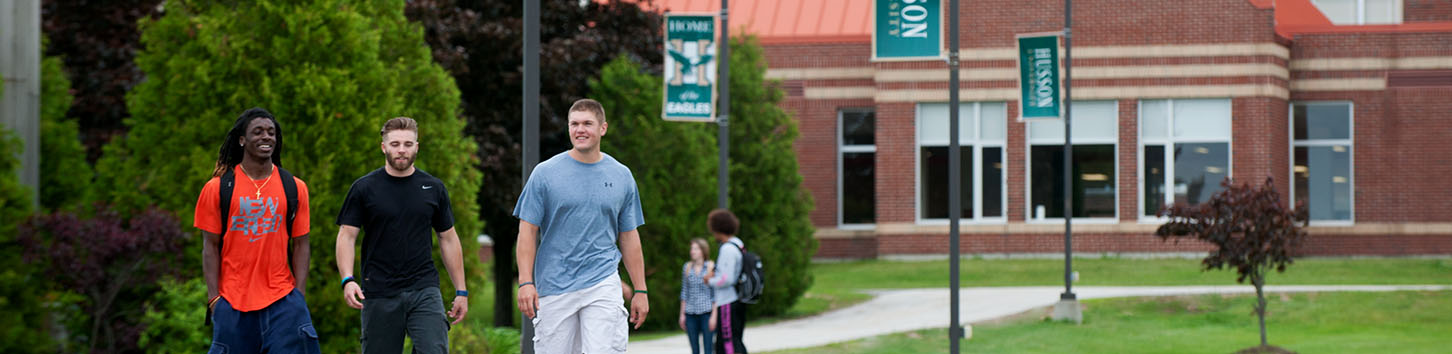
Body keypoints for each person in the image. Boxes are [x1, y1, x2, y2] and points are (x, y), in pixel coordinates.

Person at [515, 98, 649, 354]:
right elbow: (527, 231)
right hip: (554, 284)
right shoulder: (545, 174)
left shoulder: (621, 175)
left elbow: (629, 236)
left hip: (602, 280)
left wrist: (640, 289)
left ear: (603, 128)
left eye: (587, 123)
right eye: (574, 124)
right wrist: (525, 282)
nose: (580, 130)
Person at [335, 117, 469, 354]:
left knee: (434, 350)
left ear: (417, 146)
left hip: (424, 288)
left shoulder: (433, 188)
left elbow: (448, 238)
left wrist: (461, 290)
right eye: (395, 144)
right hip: (378, 290)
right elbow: (346, 236)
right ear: (383, 147)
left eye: (408, 144)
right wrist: (348, 279)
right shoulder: (364, 188)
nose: (401, 150)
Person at [194, 107, 321, 353]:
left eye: (271, 133)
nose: (267, 137)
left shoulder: (294, 187)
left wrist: (299, 296)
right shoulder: (217, 188)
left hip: (283, 302)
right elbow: (209, 246)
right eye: (258, 132)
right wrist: (214, 300)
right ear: (242, 140)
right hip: (232, 303)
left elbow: (302, 243)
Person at [704, 209, 747, 354]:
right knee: (730, 341)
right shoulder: (738, 244)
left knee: (729, 342)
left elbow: (726, 279)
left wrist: (709, 280)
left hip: (728, 302)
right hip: (736, 300)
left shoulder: (728, 249)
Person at [680, 238, 717, 354]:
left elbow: (715, 294)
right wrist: (682, 314)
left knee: (708, 349)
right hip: (690, 313)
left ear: (703, 250)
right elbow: (684, 292)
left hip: (707, 313)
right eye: (692, 249)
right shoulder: (687, 268)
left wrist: (714, 316)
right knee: (694, 350)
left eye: (695, 249)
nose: (692, 251)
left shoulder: (711, 267)